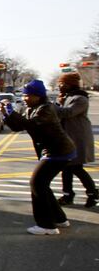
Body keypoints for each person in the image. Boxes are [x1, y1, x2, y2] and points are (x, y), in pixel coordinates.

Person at [1, 80, 76, 235]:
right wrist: (6, 114)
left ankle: (46, 225)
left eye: (28, 95)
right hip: (53, 151)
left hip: (58, 151)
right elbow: (19, 126)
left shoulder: (46, 109)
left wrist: (12, 113)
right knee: (42, 184)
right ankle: (59, 219)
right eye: (24, 95)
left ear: (38, 96)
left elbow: (32, 125)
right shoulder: (32, 108)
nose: (25, 98)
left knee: (36, 183)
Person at [53, 73, 96, 207]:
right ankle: (68, 195)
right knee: (67, 167)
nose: (59, 86)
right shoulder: (69, 97)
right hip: (69, 137)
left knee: (76, 167)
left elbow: (68, 113)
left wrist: (52, 106)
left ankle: (92, 193)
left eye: (61, 83)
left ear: (69, 84)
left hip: (78, 138)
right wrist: (59, 103)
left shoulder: (80, 99)